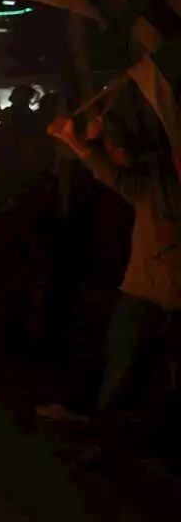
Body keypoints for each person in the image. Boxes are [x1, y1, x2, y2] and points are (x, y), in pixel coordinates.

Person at [45, 112, 180, 419]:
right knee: (119, 364)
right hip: (133, 286)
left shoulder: (155, 189)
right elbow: (108, 175)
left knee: (133, 372)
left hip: (148, 293)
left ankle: (118, 437)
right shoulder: (152, 186)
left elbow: (110, 177)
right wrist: (82, 142)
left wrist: (78, 142)